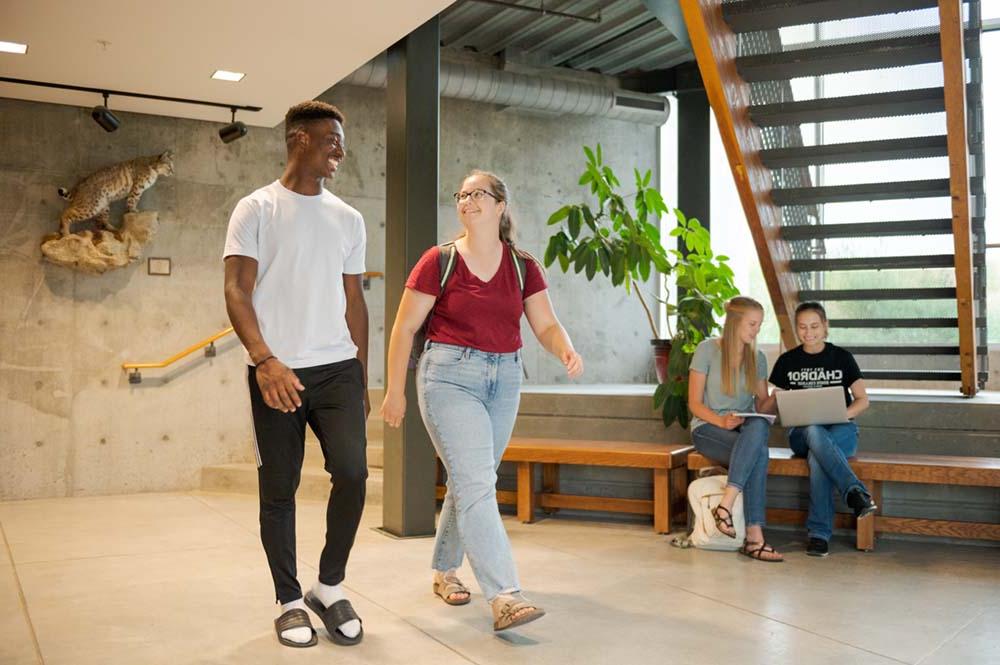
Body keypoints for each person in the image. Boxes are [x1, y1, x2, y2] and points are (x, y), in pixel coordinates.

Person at [380, 170, 583, 632]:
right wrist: (395, 390)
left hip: (506, 376)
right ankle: (505, 594)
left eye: (477, 194)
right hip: (449, 376)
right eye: (461, 194)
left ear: (499, 206)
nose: (466, 200)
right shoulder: (439, 261)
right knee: (475, 482)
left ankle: (445, 571)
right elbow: (404, 327)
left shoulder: (523, 265)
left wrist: (564, 347)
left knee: (473, 478)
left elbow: (546, 325)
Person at [223, 101, 370, 648]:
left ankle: (328, 588)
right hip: (275, 372)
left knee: (353, 475)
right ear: (298, 139)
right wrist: (264, 359)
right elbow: (236, 289)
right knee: (279, 491)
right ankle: (288, 600)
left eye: (343, 140)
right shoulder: (256, 208)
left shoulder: (348, 218)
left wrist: (360, 374)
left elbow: (354, 300)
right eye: (332, 138)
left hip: (336, 372)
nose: (340, 149)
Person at [769, 301, 877, 557]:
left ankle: (819, 536)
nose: (809, 332)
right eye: (803, 327)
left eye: (815, 326)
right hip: (801, 434)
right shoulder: (787, 360)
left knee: (818, 458)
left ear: (826, 326)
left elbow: (863, 400)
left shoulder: (842, 357)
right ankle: (855, 492)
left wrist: (841, 414)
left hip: (841, 431)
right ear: (796, 329)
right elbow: (776, 403)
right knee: (814, 429)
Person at [688, 296, 783, 562]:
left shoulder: (758, 358)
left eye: (759, 325)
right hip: (708, 428)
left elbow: (762, 409)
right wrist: (720, 421)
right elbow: (694, 403)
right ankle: (755, 537)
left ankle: (725, 506)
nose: (756, 330)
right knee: (759, 453)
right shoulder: (707, 350)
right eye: (752, 324)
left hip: (743, 432)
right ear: (735, 322)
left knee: (758, 425)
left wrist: (777, 395)